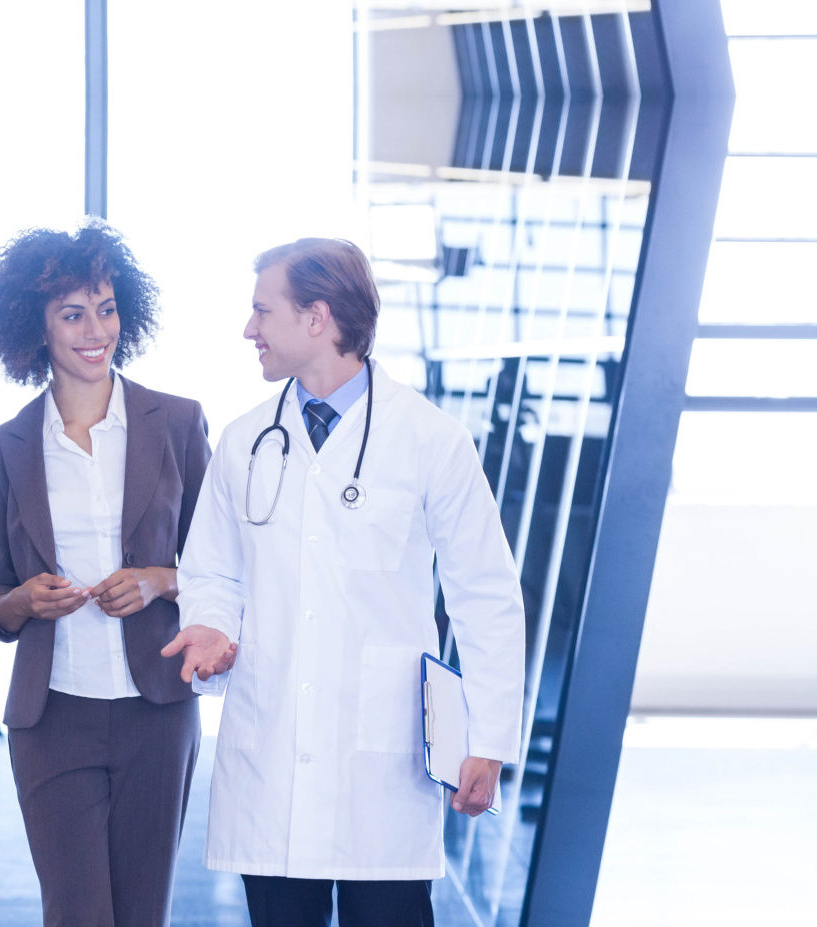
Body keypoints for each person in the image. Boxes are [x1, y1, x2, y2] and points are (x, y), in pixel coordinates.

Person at [162, 238, 525, 927]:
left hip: (380, 764)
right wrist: (211, 622)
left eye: (262, 311)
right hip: (271, 756)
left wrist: (489, 738)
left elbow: (486, 596)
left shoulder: (428, 438)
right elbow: (210, 568)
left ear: (317, 318)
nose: (249, 329)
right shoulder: (245, 441)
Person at [0, 221, 214, 927]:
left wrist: (159, 580)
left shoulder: (176, 421)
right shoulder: (5, 448)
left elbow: (220, 569)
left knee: (143, 915)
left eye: (106, 308)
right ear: (35, 327)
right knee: (75, 915)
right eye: (72, 312)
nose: (94, 328)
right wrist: (22, 598)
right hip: (53, 717)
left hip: (157, 712)